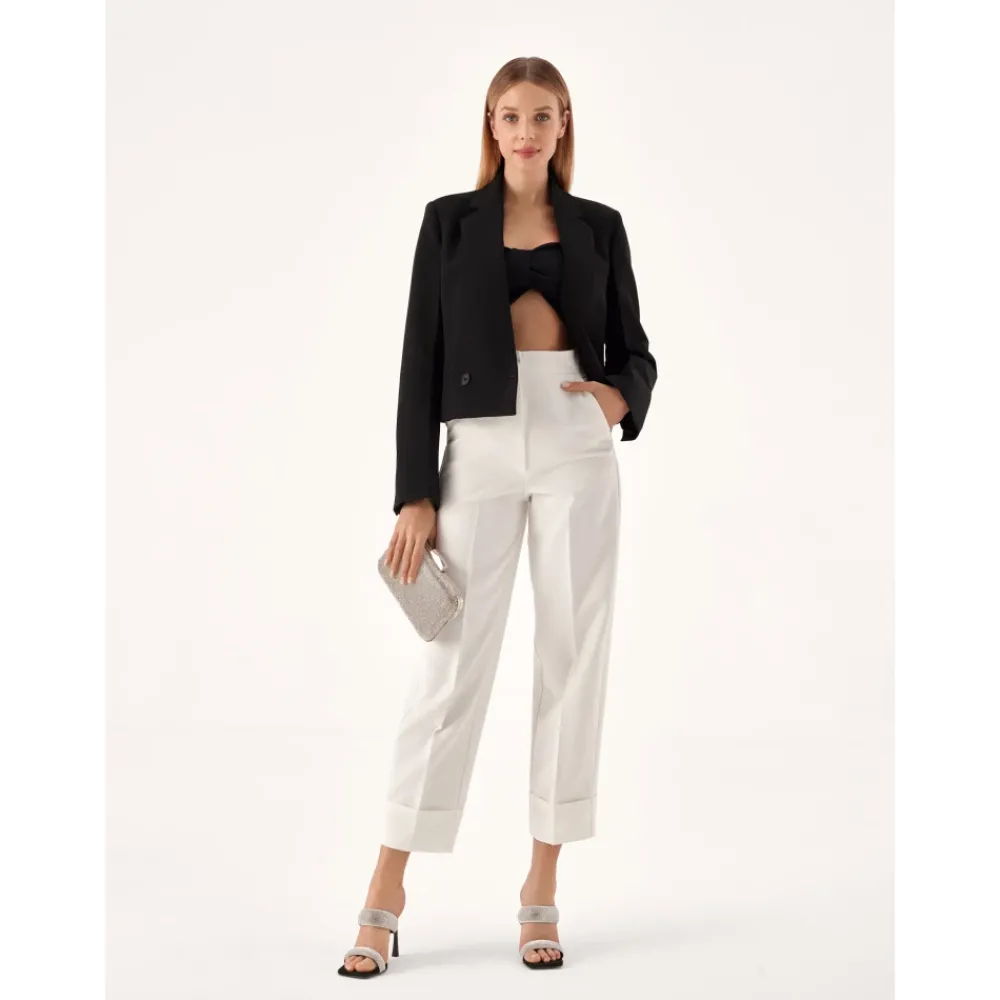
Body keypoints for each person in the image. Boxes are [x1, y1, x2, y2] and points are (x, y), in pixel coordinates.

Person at [339, 55, 657, 978]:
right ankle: (388, 886)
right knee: (450, 666)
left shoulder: (600, 226)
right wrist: (414, 490)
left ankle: (540, 887)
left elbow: (634, 347)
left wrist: (618, 398)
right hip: (476, 444)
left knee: (573, 655)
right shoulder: (449, 222)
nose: (526, 131)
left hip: (573, 438)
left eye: (542, 116)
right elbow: (418, 355)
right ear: (491, 124)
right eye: (511, 115)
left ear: (564, 125)